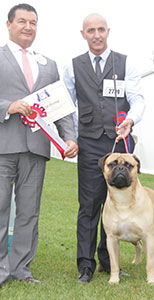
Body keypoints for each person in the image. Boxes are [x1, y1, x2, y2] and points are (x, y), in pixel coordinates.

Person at [0, 3, 78, 287]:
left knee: (29, 211)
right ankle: (0, 270)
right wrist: (9, 106)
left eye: (33, 22)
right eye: (22, 21)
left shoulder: (49, 64)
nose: (28, 27)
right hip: (3, 147)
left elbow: (61, 107)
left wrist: (69, 137)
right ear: (8, 25)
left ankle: (22, 269)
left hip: (36, 149)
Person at [63, 13, 145, 284]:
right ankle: (85, 265)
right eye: (90, 30)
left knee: (116, 204)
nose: (96, 35)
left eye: (100, 30)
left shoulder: (125, 62)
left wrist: (130, 120)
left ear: (108, 31)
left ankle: (109, 262)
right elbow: (67, 106)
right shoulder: (72, 66)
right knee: (89, 205)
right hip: (88, 143)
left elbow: (137, 99)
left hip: (119, 143)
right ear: (83, 34)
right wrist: (71, 137)